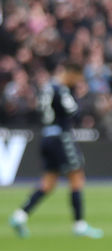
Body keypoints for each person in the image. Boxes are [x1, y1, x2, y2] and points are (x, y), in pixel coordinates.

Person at [9, 63, 103, 239]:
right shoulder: (61, 90)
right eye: (77, 77)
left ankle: (19, 216)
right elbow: (74, 112)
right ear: (70, 73)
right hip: (61, 137)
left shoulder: (46, 89)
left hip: (46, 137)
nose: (79, 81)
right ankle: (79, 225)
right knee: (76, 177)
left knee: (48, 183)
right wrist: (80, 100)